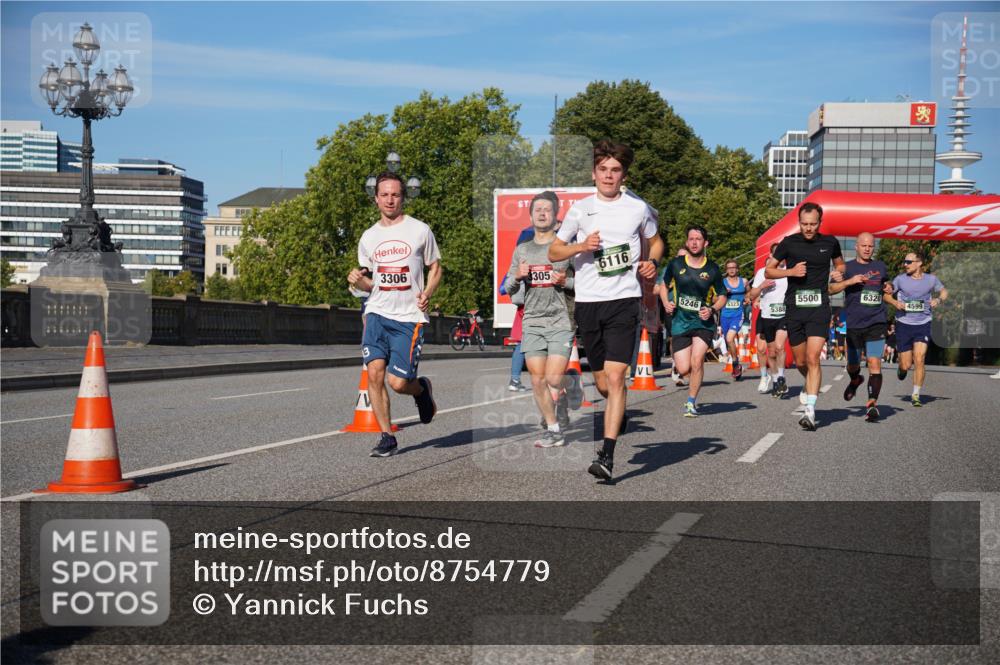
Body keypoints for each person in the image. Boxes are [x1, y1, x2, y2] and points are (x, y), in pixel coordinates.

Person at [550, 140, 664, 481]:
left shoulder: (637, 208)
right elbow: (555, 251)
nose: (609, 176)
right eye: (603, 170)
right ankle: (618, 409)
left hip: (624, 301)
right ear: (594, 173)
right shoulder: (580, 210)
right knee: (602, 383)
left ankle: (607, 455)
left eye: (615, 171)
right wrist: (581, 246)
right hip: (588, 304)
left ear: (623, 175)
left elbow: (655, 240)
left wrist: (651, 262)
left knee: (616, 379)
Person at [348, 172, 441, 457]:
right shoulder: (369, 237)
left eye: (395, 194)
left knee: (398, 382)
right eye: (384, 194)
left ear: (403, 197)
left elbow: (435, 268)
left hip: (409, 317)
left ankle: (421, 390)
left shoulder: (419, 230)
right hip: (377, 313)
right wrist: (356, 280)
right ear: (376, 198)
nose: (390, 199)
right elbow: (369, 282)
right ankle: (386, 436)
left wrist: (427, 293)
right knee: (374, 374)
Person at [503, 191, 581, 448]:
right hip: (533, 321)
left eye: (547, 209)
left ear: (556, 216)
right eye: (538, 209)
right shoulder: (522, 250)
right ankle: (554, 429)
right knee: (537, 379)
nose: (542, 213)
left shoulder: (565, 249)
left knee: (553, 379)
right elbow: (509, 289)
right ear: (531, 215)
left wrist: (566, 281)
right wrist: (518, 276)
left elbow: (585, 284)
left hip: (561, 319)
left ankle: (571, 382)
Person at [765, 202, 845, 431]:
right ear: (799, 222)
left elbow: (840, 265)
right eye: (804, 224)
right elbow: (769, 270)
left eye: (812, 224)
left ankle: (810, 411)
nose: (808, 228)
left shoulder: (830, 242)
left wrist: (838, 273)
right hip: (794, 308)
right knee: (801, 361)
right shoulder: (789, 243)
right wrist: (790, 271)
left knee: (813, 358)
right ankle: (809, 383)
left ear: (820, 223)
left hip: (819, 308)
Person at [659, 225, 728, 418]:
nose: (694, 242)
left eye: (698, 239)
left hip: (702, 322)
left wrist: (712, 309)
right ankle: (690, 380)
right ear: (687, 242)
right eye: (691, 239)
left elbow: (723, 296)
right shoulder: (676, 264)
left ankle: (691, 402)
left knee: (697, 361)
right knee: (683, 368)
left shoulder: (712, 268)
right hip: (680, 321)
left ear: (705, 243)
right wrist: (666, 302)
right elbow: (663, 285)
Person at [828, 232, 890, 422]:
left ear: (874, 247)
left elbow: (886, 284)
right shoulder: (846, 268)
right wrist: (849, 281)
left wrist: (889, 287)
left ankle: (872, 404)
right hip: (854, 324)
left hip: (876, 321)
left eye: (870, 246)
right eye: (863, 245)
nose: (867, 249)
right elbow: (830, 290)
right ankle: (855, 379)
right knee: (852, 365)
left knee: (874, 363)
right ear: (856, 246)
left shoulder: (880, 266)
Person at [884, 252, 947, 407]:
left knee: (920, 358)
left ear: (919, 263)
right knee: (906, 364)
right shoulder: (900, 279)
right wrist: (894, 303)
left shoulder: (931, 279)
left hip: (923, 323)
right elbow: (886, 295)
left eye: (909, 262)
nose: (905, 264)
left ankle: (915, 394)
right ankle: (901, 368)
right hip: (904, 323)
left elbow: (944, 292)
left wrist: (938, 299)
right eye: (904, 262)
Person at [749, 243, 788, 396]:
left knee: (780, 347)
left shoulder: (789, 272)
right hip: (767, 315)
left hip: (784, 315)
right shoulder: (762, 272)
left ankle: (781, 377)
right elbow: (752, 295)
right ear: (771, 256)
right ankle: (772, 377)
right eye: (777, 254)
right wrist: (762, 286)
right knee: (770, 352)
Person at [658, 247, 689, 386]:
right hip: (672, 308)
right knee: (674, 338)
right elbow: (656, 289)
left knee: (689, 339)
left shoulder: (695, 269)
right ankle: (676, 366)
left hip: (689, 310)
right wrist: (667, 288)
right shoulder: (668, 270)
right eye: (679, 257)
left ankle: (683, 368)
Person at [720, 260, 748, 380]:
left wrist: (747, 298)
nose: (731, 270)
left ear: (738, 269)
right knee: (728, 341)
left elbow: (749, 292)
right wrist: (723, 293)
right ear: (726, 270)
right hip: (725, 315)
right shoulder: (722, 283)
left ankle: (735, 364)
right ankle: (736, 363)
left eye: (734, 267)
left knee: (729, 338)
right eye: (729, 268)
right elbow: (715, 298)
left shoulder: (744, 281)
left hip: (738, 315)